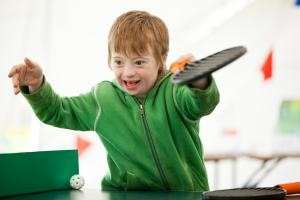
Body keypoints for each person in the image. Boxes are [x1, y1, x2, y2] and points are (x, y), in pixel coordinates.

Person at [8, 10, 219, 192]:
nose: (128, 72)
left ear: (161, 60)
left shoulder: (175, 90)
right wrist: (36, 87)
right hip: (125, 195)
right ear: (109, 60)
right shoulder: (103, 98)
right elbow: (57, 111)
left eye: (139, 62)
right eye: (118, 61)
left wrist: (198, 80)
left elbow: (201, 103)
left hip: (186, 195)